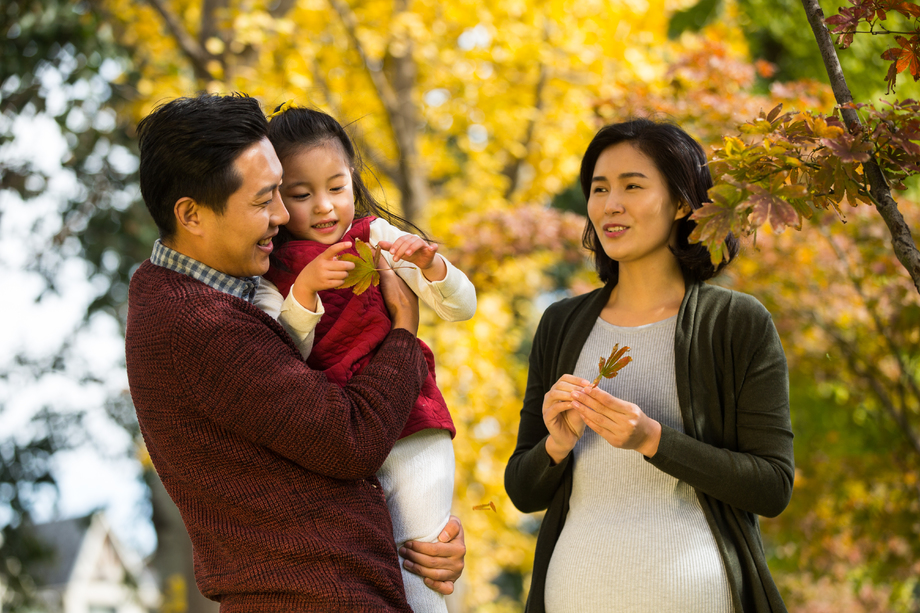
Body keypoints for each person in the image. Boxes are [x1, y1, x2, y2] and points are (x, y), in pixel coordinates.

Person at [124, 92, 465, 612]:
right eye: (265, 201)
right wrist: (403, 331)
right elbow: (349, 439)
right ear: (192, 214)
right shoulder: (195, 323)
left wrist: (418, 536)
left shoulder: (225, 294)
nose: (285, 216)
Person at [504, 118, 794, 613]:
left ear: (682, 202)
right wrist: (556, 445)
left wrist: (653, 441)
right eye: (599, 189)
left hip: (696, 594)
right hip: (574, 592)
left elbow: (771, 485)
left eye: (632, 186)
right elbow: (523, 490)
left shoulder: (736, 323)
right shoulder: (560, 324)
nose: (609, 205)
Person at [252, 103, 476, 613]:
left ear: (353, 177)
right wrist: (305, 291)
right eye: (302, 195)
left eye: (336, 187)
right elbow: (283, 352)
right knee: (373, 570)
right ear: (278, 202)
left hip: (412, 423)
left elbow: (461, 308)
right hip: (342, 442)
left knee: (420, 561)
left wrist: (434, 268)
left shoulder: (377, 241)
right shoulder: (272, 275)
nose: (325, 207)